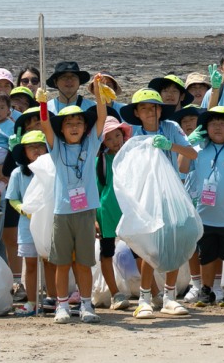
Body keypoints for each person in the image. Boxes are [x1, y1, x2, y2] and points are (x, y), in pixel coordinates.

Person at [117, 88, 197, 317]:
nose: (150, 112)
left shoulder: (171, 129)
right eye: (144, 108)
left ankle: (169, 297)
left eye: (153, 107)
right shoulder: (134, 137)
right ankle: (145, 298)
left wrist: (170, 146)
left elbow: (192, 154)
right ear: (137, 113)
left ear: (160, 110)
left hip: (173, 196)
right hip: (147, 197)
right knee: (149, 248)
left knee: (175, 243)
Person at [37, 101, 112, 324]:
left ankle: (86, 305)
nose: (74, 127)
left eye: (78, 123)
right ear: (62, 128)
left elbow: (102, 117)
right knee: (61, 262)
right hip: (62, 212)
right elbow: (44, 124)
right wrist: (42, 102)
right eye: (69, 123)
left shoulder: (90, 144)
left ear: (84, 127)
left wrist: (98, 92)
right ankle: (62, 305)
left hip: (86, 212)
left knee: (84, 262)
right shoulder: (56, 148)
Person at [183, 106, 224, 308]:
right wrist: (188, 144)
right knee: (207, 255)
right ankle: (206, 289)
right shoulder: (199, 149)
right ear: (206, 127)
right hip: (205, 214)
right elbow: (182, 167)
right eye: (213, 123)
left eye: (223, 123)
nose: (218, 127)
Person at [4, 129, 49, 316]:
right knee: (30, 263)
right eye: (31, 147)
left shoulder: (52, 169)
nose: (36, 150)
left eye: (40, 146)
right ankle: (31, 301)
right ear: (24, 151)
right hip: (26, 223)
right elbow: (12, 197)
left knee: (50, 262)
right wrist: (23, 209)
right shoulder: (17, 173)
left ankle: (52, 299)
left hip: (48, 222)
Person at [94, 117, 133, 311]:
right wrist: (94, 218)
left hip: (130, 211)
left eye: (118, 135)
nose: (115, 141)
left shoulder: (132, 158)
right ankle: (115, 294)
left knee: (141, 251)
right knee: (106, 252)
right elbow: (95, 190)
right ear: (103, 142)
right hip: (107, 212)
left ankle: (152, 292)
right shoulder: (99, 160)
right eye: (109, 138)